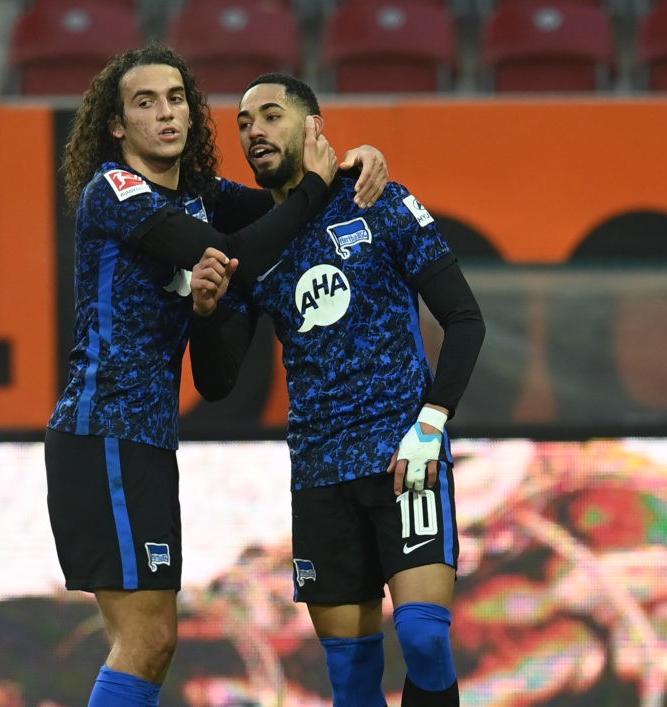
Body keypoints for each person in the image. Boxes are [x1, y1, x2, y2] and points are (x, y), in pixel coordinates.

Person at [44, 43, 389, 706]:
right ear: (117, 126)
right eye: (145, 103)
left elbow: (284, 218)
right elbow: (235, 251)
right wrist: (317, 189)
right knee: (147, 639)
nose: (166, 113)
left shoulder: (201, 197)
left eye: (176, 99)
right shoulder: (115, 189)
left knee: (147, 641)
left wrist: (355, 166)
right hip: (104, 432)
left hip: (144, 441)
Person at [188, 73, 486, 706]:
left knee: (426, 639)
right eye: (243, 123)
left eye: (271, 115)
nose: (255, 131)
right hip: (320, 475)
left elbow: (465, 319)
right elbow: (216, 384)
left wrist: (432, 423)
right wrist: (209, 311)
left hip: (406, 456)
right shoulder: (255, 242)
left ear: (314, 128)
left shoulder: (377, 198)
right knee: (351, 681)